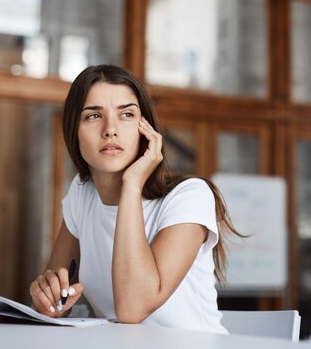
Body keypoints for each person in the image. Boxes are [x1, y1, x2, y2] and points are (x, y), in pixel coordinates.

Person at [29, 64, 243, 333]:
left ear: (146, 130)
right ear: (74, 131)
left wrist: (132, 185)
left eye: (127, 114)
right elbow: (54, 300)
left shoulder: (190, 196)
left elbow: (133, 308)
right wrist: (49, 302)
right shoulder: (82, 195)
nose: (110, 130)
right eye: (94, 116)